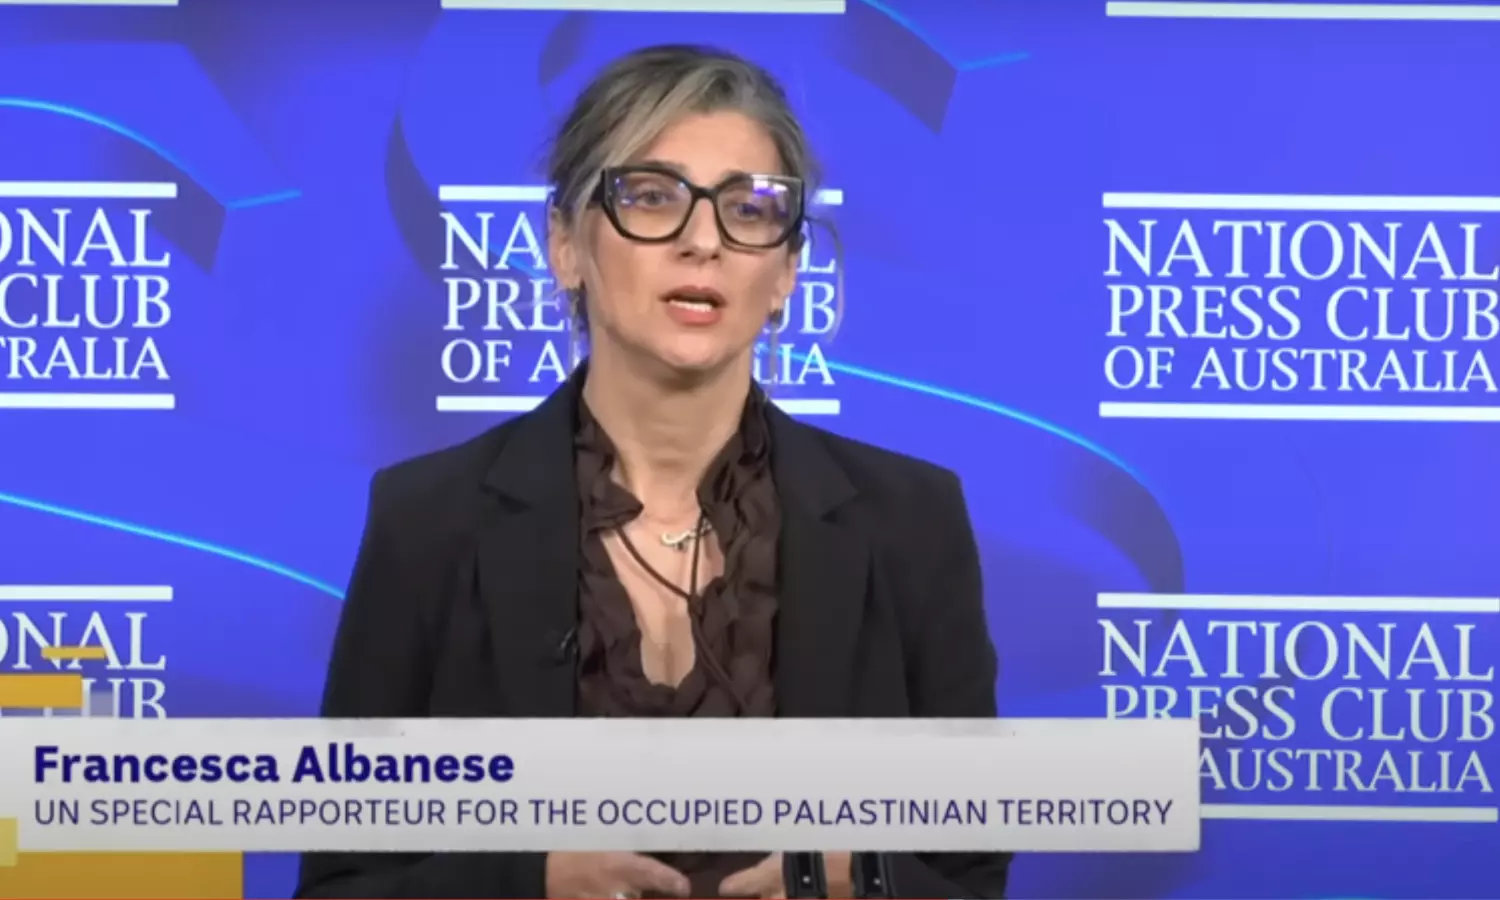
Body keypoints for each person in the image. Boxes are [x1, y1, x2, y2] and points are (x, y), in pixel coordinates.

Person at [295, 43, 1008, 900]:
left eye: (748, 209)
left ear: (786, 270)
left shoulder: (911, 522)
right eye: (652, 196)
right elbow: (340, 883)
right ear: (566, 245)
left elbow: (970, 878)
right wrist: (524, 883)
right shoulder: (429, 520)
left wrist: (863, 883)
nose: (703, 241)